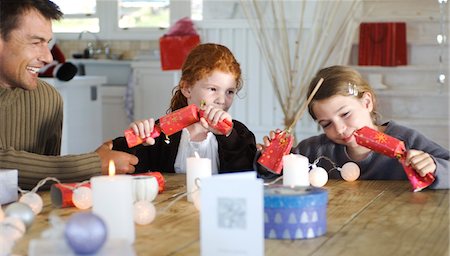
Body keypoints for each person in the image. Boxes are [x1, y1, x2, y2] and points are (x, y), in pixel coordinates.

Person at [0, 0, 138, 190]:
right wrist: (93, 164)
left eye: (47, 43)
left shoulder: (47, 98)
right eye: (35, 42)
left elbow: (47, 185)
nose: (48, 57)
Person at [258, 65, 449, 189]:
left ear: (367, 102)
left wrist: (434, 166)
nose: (340, 129)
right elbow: (273, 179)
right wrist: (270, 160)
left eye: (345, 114)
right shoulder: (314, 150)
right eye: (326, 124)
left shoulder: (407, 140)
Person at [112, 43, 257, 174]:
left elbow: (247, 175)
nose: (221, 100)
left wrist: (229, 137)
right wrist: (137, 141)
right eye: (213, 89)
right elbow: (125, 167)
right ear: (187, 88)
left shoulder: (239, 134)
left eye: (229, 92)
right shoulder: (162, 133)